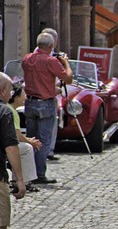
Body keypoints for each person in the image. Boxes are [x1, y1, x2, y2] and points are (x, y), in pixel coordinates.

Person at [21, 32, 73, 184]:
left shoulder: (27, 59)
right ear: (51, 46)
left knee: (31, 139)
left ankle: (29, 174)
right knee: (43, 140)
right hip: (45, 103)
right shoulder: (50, 61)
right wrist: (65, 63)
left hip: (30, 103)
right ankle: (40, 174)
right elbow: (68, 79)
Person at [0, 72, 26, 229]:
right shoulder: (4, 112)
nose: (12, 93)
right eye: (9, 89)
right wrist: (19, 179)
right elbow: (11, 147)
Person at [8, 82, 41, 191]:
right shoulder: (12, 112)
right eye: (24, 95)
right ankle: (24, 181)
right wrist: (30, 142)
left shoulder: (9, 109)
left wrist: (28, 139)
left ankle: (16, 180)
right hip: (6, 146)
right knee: (27, 148)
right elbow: (16, 135)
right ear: (17, 98)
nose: (25, 98)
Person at [40, 28, 61, 161]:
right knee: (50, 124)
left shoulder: (30, 58)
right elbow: (64, 78)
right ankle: (48, 151)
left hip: (35, 97)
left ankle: (44, 152)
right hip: (48, 96)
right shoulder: (54, 60)